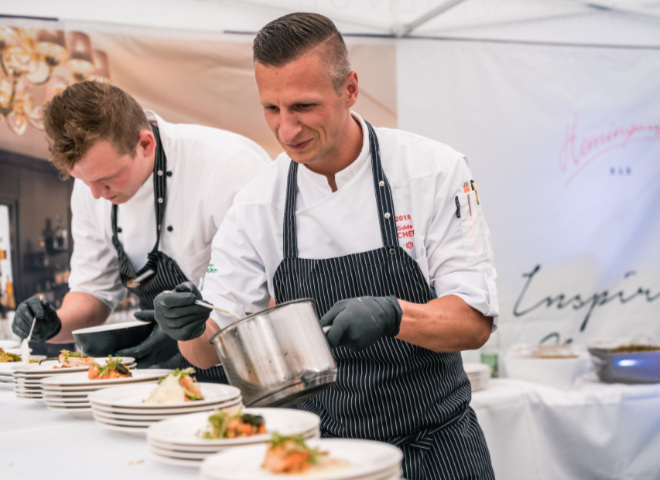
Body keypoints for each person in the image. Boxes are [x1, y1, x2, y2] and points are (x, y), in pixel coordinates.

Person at [152, 13, 498, 479]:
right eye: (271, 109)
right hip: (325, 456)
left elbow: (473, 322)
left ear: (350, 89)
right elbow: (210, 351)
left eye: (304, 106)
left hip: (438, 445)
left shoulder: (433, 172)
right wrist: (187, 327)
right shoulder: (258, 203)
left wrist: (395, 314)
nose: (287, 130)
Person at [11, 81, 271, 380]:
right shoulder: (92, 188)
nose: (96, 194)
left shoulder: (227, 165)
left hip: (245, 364)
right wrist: (55, 324)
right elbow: (93, 293)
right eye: (83, 181)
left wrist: (186, 333)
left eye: (109, 177)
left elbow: (275, 290)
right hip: (162, 373)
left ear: (146, 144)